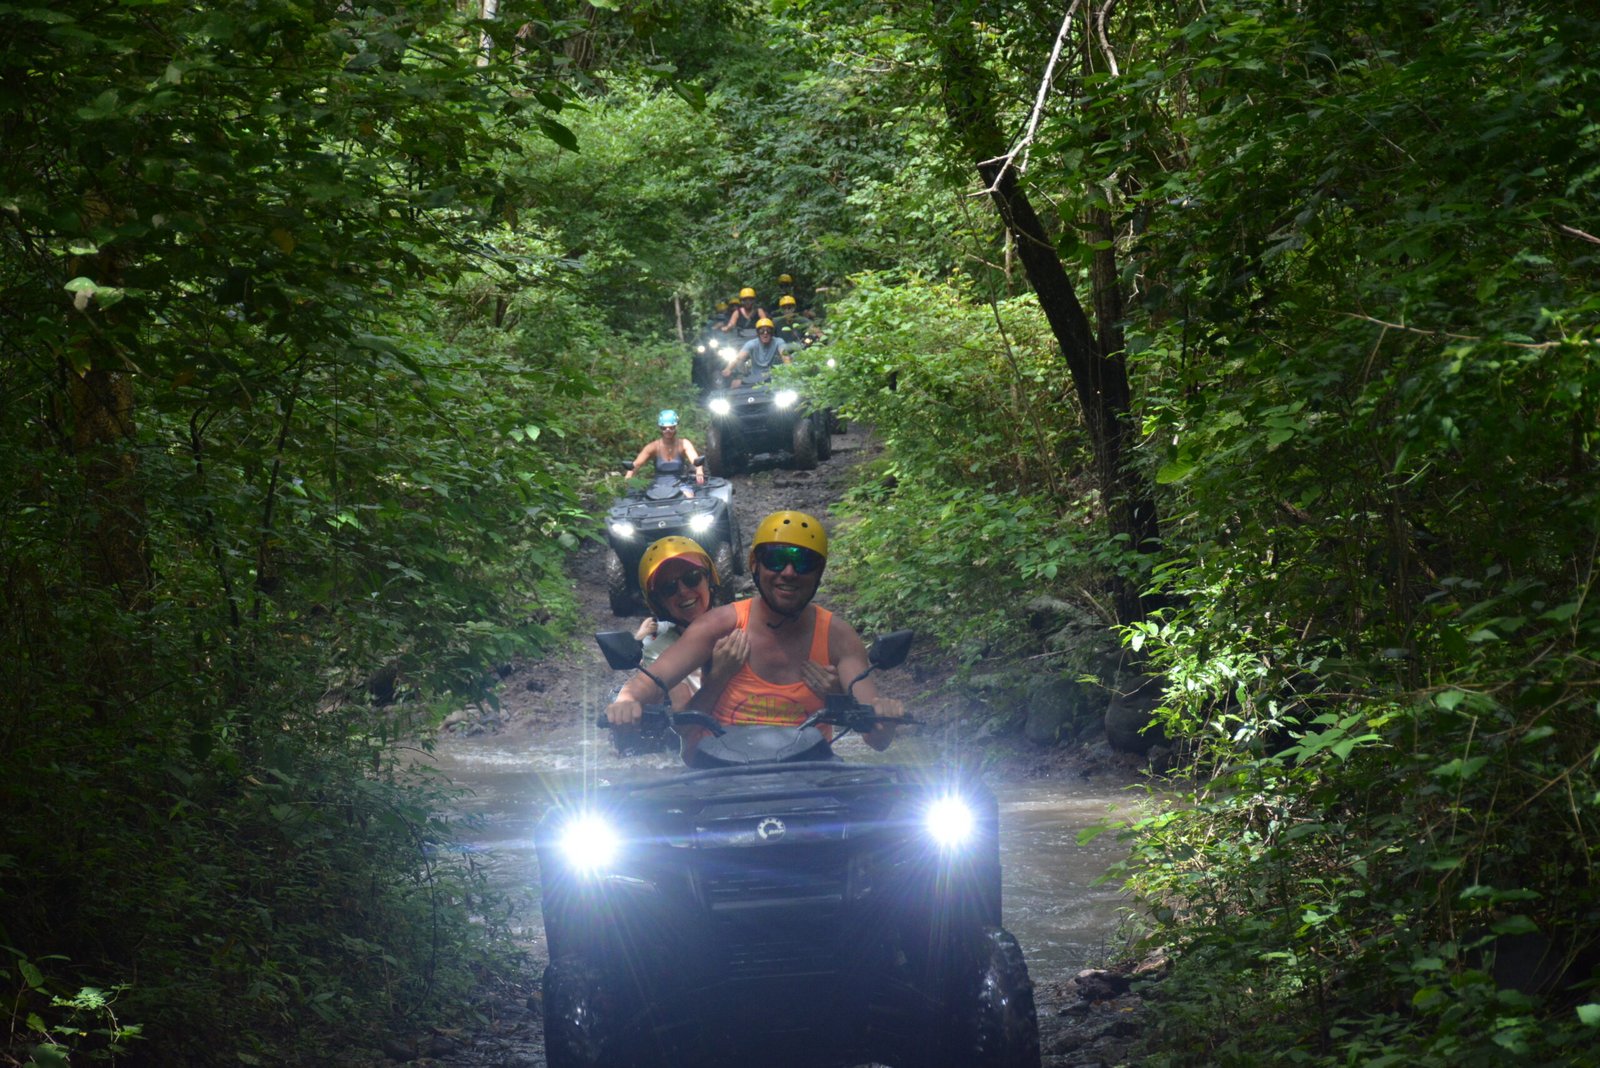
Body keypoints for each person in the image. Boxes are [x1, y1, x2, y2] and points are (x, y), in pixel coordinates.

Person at [606, 511, 904, 762]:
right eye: (775, 559)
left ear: (819, 572)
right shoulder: (717, 626)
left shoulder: (838, 637)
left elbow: (878, 739)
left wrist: (880, 713)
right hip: (721, 773)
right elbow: (647, 683)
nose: (788, 572)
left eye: (803, 562)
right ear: (754, 565)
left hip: (811, 775)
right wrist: (627, 701)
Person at [630, 536, 737, 708]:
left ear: (708, 580)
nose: (683, 591)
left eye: (692, 578)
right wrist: (719, 676)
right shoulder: (659, 654)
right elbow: (685, 727)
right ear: (659, 602)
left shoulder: (740, 625)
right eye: (669, 588)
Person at [626, 410, 706, 487]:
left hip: (680, 484)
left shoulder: (684, 444)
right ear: (660, 428)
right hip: (658, 487)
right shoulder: (653, 446)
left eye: (671, 427)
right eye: (664, 428)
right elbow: (636, 465)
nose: (668, 431)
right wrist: (628, 477)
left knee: (689, 495)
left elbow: (696, 460)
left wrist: (699, 470)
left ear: (676, 427)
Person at [723, 318, 789, 387]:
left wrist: (788, 369)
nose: (765, 333)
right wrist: (728, 368)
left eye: (768, 331)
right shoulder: (751, 344)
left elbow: (785, 356)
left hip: (775, 377)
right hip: (755, 378)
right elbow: (739, 358)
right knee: (734, 384)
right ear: (758, 333)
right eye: (762, 331)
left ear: (772, 332)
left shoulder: (779, 342)